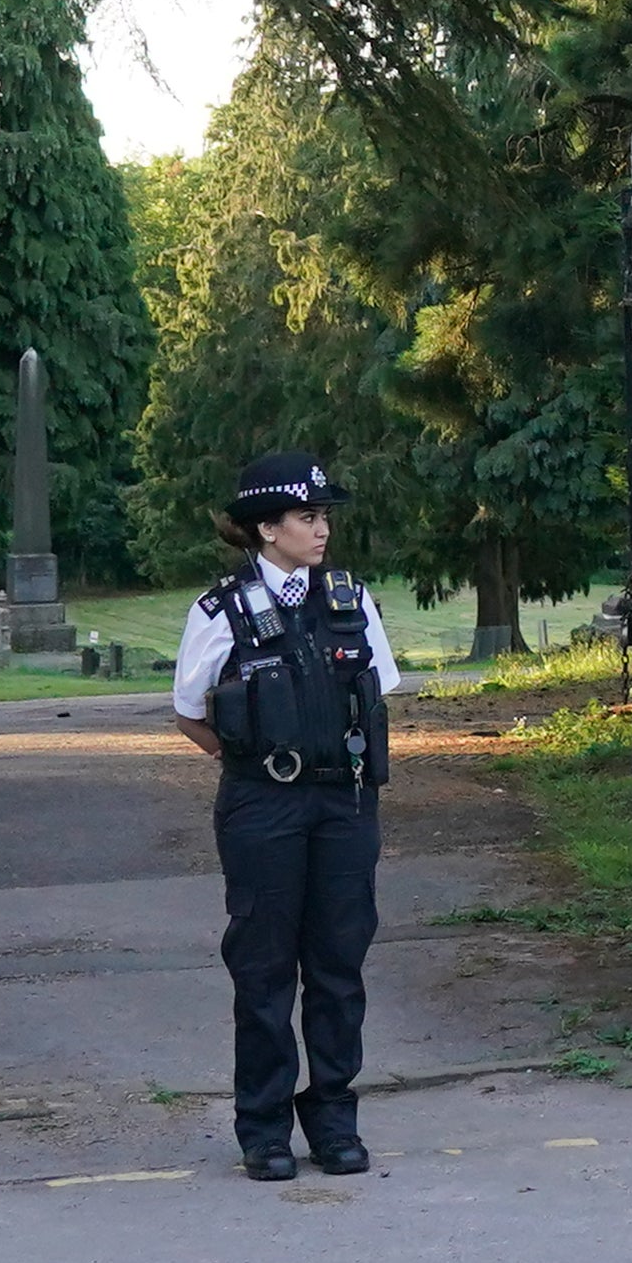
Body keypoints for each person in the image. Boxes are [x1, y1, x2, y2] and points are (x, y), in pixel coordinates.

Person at [174, 454, 405, 1172]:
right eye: (308, 517)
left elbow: (379, 689)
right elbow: (190, 714)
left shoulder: (350, 598)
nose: (322, 528)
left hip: (344, 801)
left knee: (339, 964)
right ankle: (264, 1128)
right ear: (266, 528)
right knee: (265, 967)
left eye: (325, 516)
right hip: (263, 803)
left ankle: (334, 1121)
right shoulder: (224, 608)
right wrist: (259, 763)